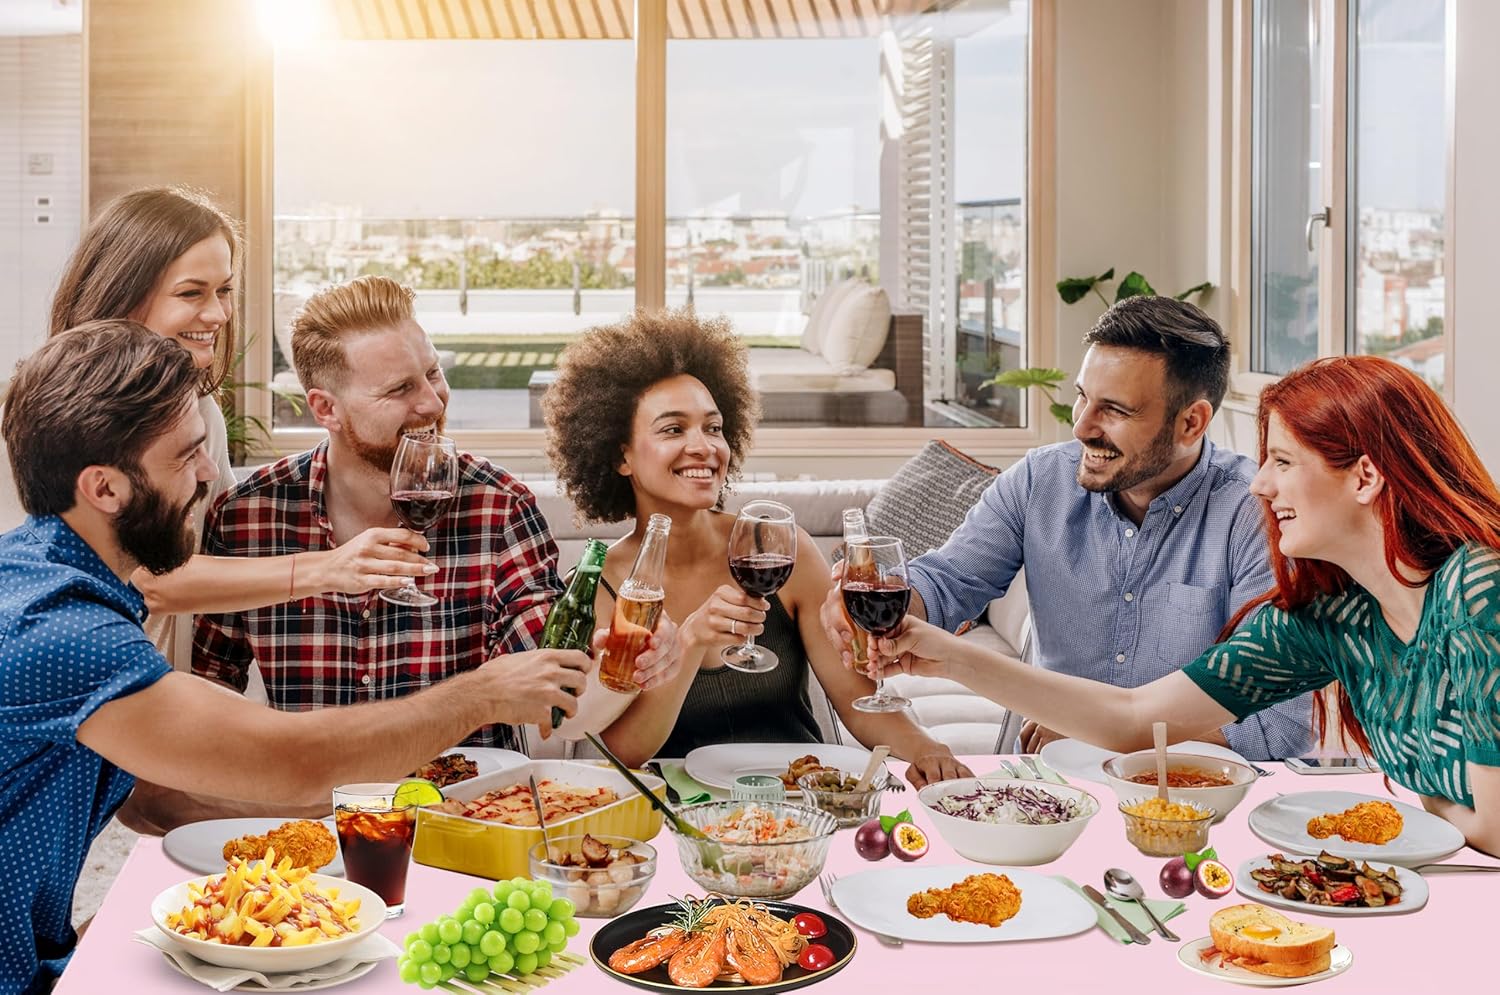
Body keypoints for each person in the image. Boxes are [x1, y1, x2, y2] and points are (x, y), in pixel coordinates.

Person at [0, 322, 594, 994]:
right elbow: (291, 756)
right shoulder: (62, 629)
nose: (205, 475)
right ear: (105, 489)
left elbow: (150, 793)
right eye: (186, 456)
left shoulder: (49, 577)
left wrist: (321, 837)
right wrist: (481, 694)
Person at [872, 355, 1500, 856]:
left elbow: (1494, 828)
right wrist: (948, 657)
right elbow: (1134, 717)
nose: (1261, 483)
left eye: (1282, 461)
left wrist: (1430, 800)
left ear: (1364, 478)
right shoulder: (1329, 621)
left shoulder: (1478, 589)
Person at [183, 276, 676, 763]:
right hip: (316, 816)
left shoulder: (499, 507)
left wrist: (623, 664)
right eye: (399, 389)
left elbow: (553, 697)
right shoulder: (248, 517)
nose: (432, 402)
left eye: (433, 374)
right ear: (325, 408)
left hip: (470, 811)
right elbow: (205, 697)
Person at [821, 295, 1313, 760]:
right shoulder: (1040, 481)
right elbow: (947, 584)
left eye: (1115, 410)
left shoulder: (1256, 514)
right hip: (1044, 784)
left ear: (1192, 422)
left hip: (1193, 798)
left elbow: (1276, 724)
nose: (1081, 426)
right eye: (1083, 398)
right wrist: (883, 600)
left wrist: (1102, 733)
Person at [0, 187, 431, 670]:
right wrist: (330, 567)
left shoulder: (198, 409)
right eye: (191, 293)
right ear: (123, 293)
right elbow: (146, 577)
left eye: (224, 290)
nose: (219, 314)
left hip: (158, 682)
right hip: (84, 684)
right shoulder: (43, 417)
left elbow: (227, 536)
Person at [543, 308, 971, 787]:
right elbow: (627, 751)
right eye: (672, 429)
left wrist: (928, 749)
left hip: (803, 803)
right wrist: (689, 642)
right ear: (620, 455)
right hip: (681, 813)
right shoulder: (605, 584)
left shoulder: (778, 550)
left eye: (713, 427)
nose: (704, 446)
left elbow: (857, 702)